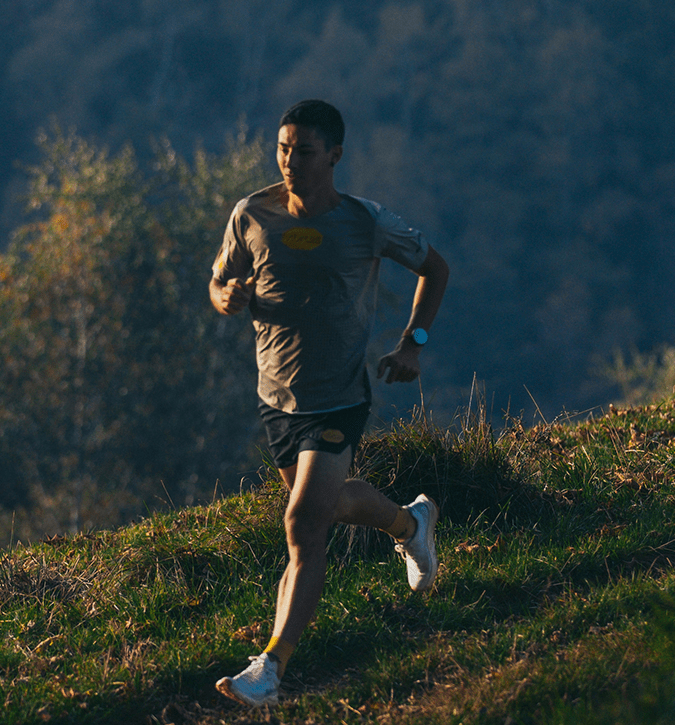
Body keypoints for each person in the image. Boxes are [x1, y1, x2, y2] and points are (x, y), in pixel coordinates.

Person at [210, 99, 450, 707]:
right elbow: (218, 283)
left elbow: (436, 268)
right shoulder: (251, 215)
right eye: (283, 148)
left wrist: (412, 345)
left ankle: (271, 667)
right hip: (277, 400)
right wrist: (228, 296)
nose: (290, 161)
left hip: (339, 398)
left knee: (302, 523)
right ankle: (411, 524)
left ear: (335, 156)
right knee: (329, 504)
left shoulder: (367, 222)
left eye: (304, 151)